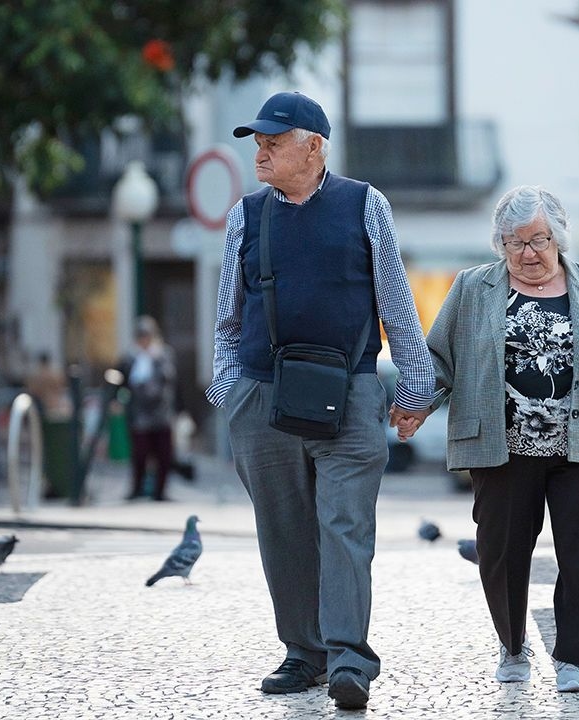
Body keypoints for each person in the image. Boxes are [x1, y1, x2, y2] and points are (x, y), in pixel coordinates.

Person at [206, 91, 434, 709]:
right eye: (257, 141)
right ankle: (302, 654)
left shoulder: (365, 204)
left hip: (352, 390)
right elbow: (226, 317)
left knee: (345, 524)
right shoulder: (246, 216)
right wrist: (228, 392)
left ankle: (348, 659)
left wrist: (413, 389)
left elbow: (398, 307)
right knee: (282, 531)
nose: (260, 151)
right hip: (263, 394)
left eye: (273, 141)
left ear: (314, 147)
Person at [411, 185, 579, 693]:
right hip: (500, 446)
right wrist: (416, 405)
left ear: (559, 239)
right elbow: (439, 356)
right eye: (514, 242)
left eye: (538, 240)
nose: (527, 253)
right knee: (501, 552)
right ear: (499, 243)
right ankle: (512, 643)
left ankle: (574, 660)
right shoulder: (471, 288)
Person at [122, 315, 177, 501]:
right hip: (140, 413)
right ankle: (137, 487)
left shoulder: (163, 354)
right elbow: (123, 381)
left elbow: (170, 380)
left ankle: (160, 491)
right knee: (140, 453)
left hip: (161, 411)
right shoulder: (130, 357)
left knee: (163, 454)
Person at [25, 352, 72, 421]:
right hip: (52, 403)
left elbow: (31, 390)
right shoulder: (54, 375)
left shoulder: (36, 376)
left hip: (43, 405)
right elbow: (61, 387)